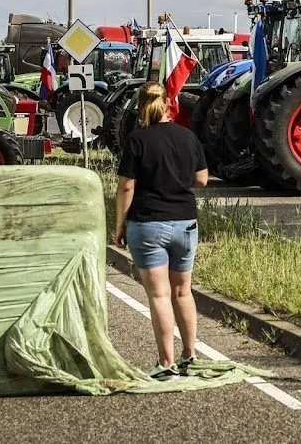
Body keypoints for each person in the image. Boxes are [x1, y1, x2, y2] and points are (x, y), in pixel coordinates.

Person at [114, 82, 209, 380]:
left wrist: (119, 225)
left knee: (158, 295)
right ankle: (189, 356)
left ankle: (165, 364)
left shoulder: (137, 140)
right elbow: (202, 180)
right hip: (185, 223)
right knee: (183, 292)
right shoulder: (188, 137)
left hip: (148, 224)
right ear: (169, 104)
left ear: (141, 106)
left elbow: (127, 185)